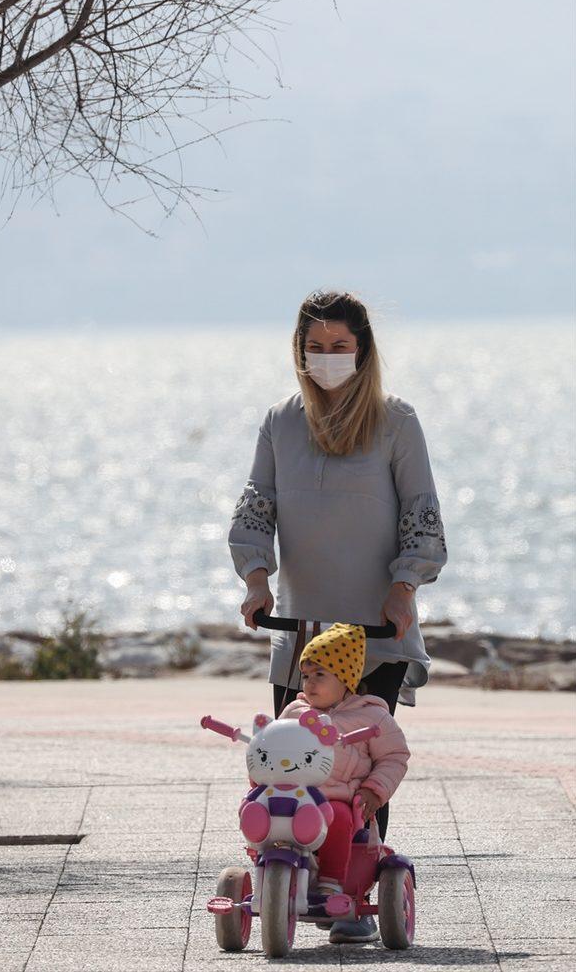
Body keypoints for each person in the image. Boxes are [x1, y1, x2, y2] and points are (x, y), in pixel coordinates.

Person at [227, 289, 447, 917]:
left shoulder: (396, 420)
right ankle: (289, 887)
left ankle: (355, 885)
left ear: (363, 351)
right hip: (301, 632)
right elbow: (256, 506)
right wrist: (255, 578)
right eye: (316, 348)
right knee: (294, 766)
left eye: (340, 347)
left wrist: (405, 585)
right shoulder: (280, 422)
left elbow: (420, 514)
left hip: (375, 626)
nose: (327, 358)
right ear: (299, 352)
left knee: (362, 768)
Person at [278, 622, 410, 944]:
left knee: (334, 816)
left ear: (347, 679)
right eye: (306, 676)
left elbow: (395, 756)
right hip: (296, 797)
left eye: (320, 675)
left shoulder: (371, 717)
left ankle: (330, 884)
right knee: (267, 815)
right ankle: (273, 874)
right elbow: (273, 748)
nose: (309, 684)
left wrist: (373, 790)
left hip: (342, 801)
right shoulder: (295, 712)